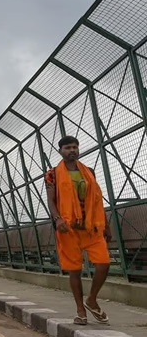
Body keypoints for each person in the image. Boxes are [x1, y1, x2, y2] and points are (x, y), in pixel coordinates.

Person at [46, 136, 111, 325]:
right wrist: (57, 219)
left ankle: (91, 300)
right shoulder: (52, 174)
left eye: (75, 147)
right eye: (67, 147)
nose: (72, 150)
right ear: (60, 151)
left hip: (91, 227)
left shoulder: (88, 172)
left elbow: (97, 199)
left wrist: (106, 225)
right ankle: (80, 310)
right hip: (68, 229)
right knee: (74, 271)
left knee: (104, 263)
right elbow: (51, 200)